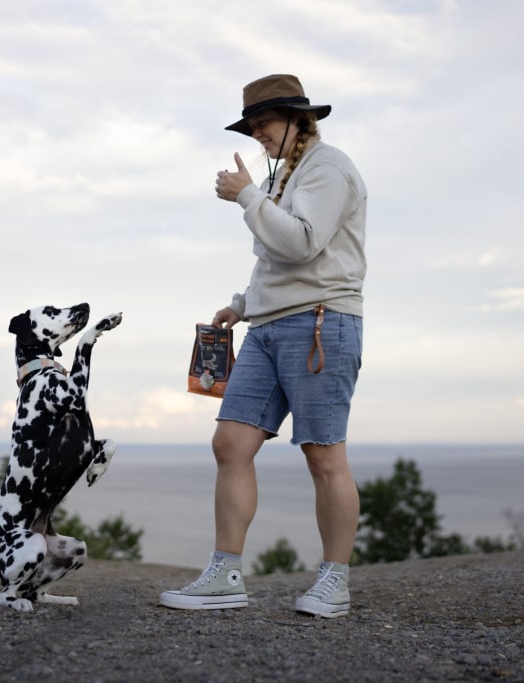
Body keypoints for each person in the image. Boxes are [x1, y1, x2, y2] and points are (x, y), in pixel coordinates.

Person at [159, 74, 366, 618]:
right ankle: (225, 575)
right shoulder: (286, 175)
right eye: (252, 127)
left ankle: (334, 581)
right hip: (268, 327)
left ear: (299, 118)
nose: (258, 136)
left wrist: (247, 194)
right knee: (230, 443)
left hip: (321, 323)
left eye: (264, 124)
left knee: (324, 456)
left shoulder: (329, 167)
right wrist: (243, 304)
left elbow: (302, 243)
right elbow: (275, 255)